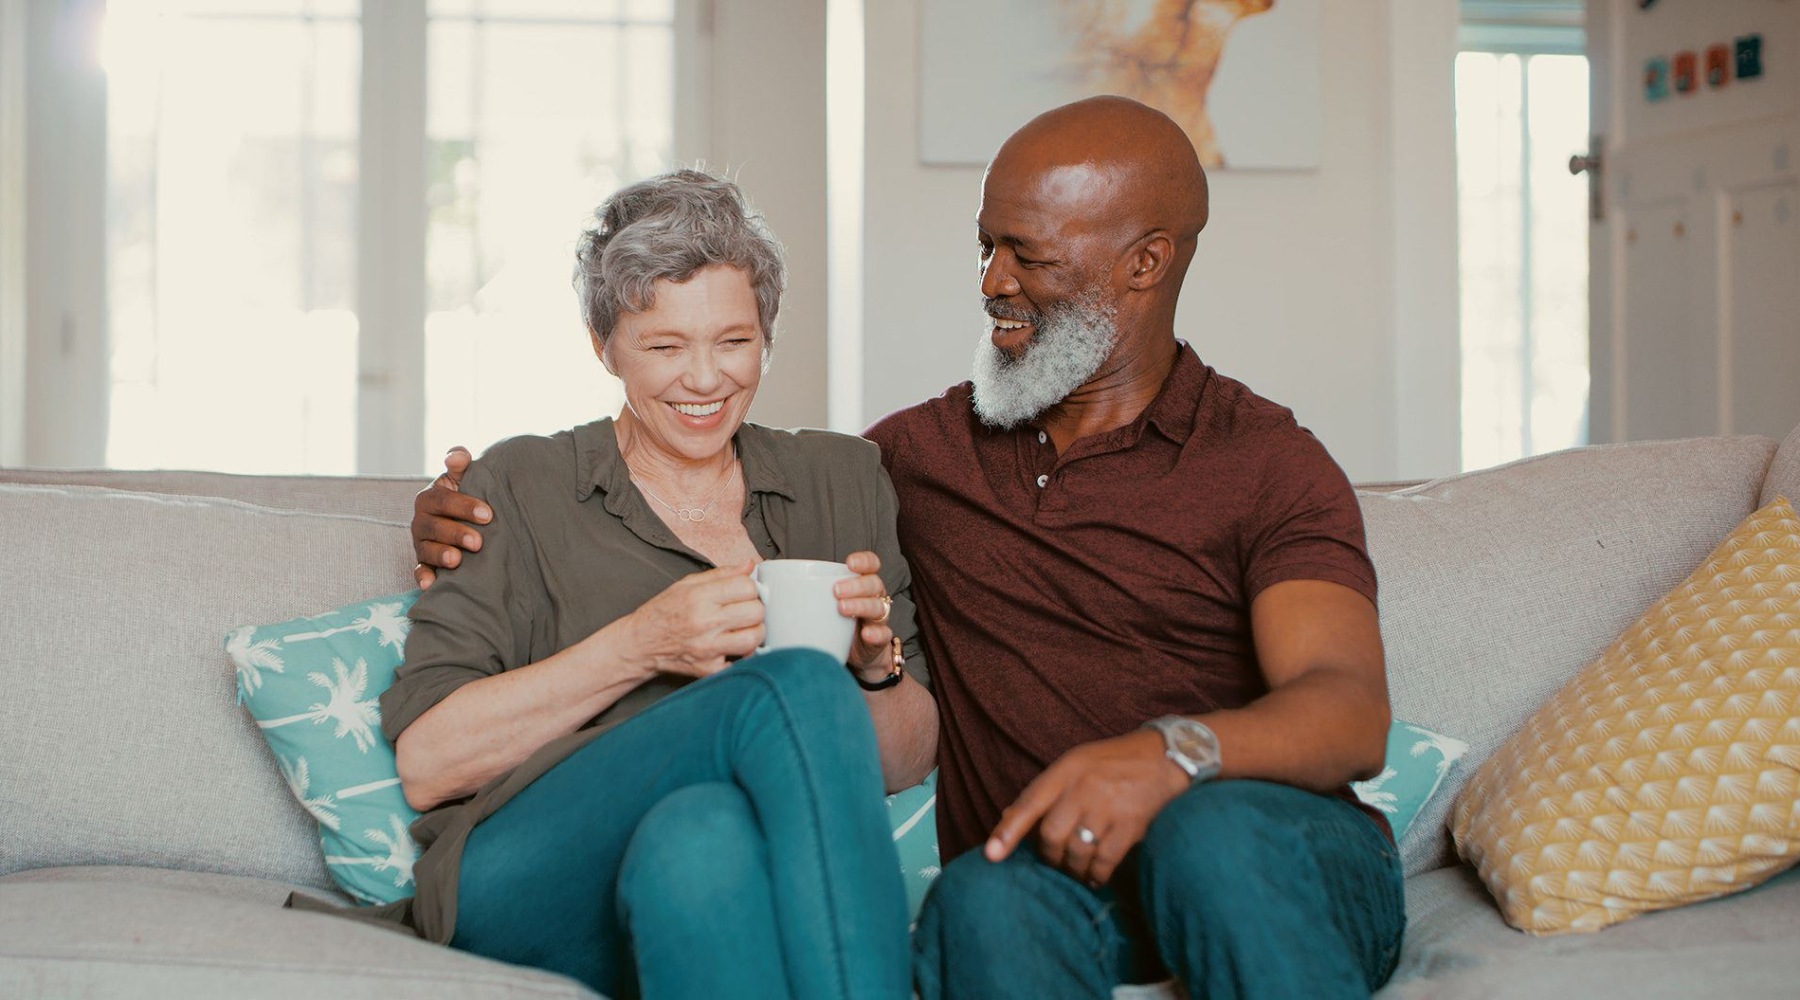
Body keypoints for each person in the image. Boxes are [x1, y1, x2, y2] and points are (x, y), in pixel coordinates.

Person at [414, 98, 1404, 999]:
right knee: (977, 895)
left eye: (1027, 255)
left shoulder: (1263, 458)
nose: (991, 283)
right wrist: (449, 514)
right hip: (1046, 874)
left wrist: (1171, 754)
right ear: (608, 345)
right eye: (985, 248)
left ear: (1143, 262)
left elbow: (1349, 707)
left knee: (1208, 833)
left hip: (1251, 846)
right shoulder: (916, 458)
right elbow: (435, 745)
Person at [384, 169, 936, 1000]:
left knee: (700, 840)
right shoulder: (521, 484)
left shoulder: (842, 478)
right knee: (787, 685)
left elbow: (907, 756)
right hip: (526, 877)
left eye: (734, 342)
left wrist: (873, 669)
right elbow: (429, 765)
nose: (706, 380)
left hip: (700, 871)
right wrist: (643, 643)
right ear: (604, 345)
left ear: (768, 335)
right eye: (664, 346)